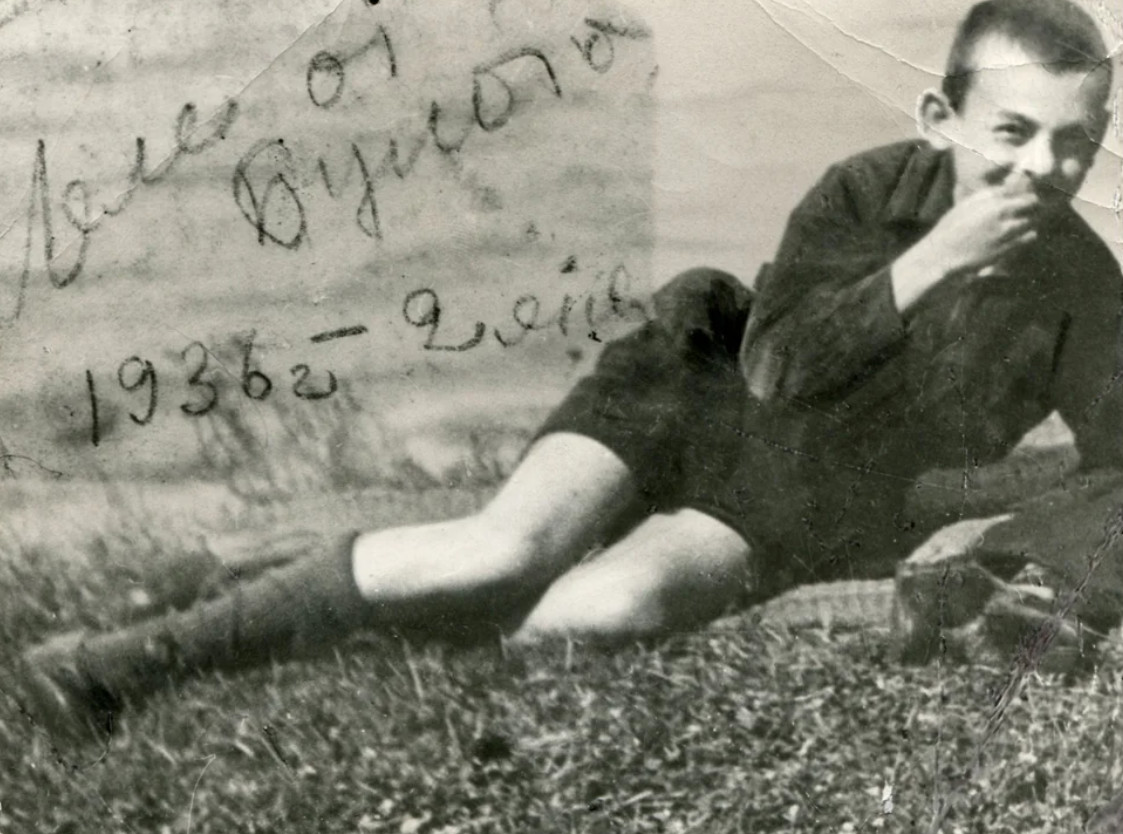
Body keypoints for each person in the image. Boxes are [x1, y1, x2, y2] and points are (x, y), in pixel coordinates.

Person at [18, 0, 1122, 743]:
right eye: (1011, 133)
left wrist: (1015, 537)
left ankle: (298, 596)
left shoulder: (1080, 283)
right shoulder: (864, 192)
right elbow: (779, 366)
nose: (1044, 167)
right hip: (700, 383)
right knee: (501, 551)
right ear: (938, 118)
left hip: (792, 492)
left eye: (1076, 141)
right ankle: (121, 661)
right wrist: (931, 262)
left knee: (590, 612)